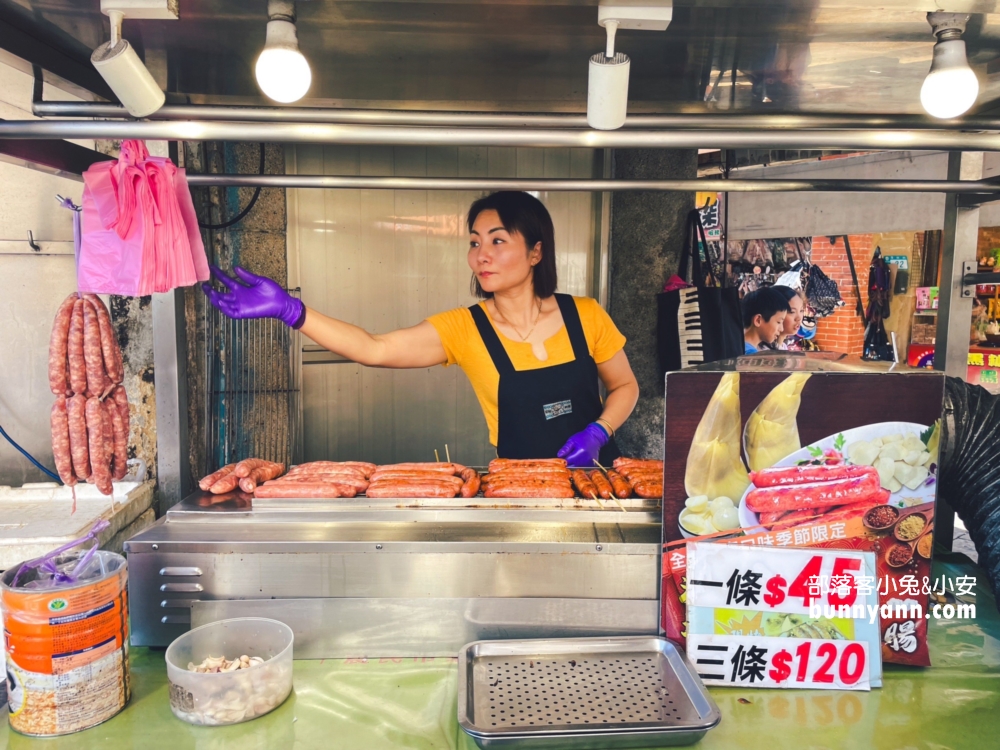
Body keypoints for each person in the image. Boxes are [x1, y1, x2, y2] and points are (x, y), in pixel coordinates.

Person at [202, 191, 639, 467]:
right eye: (474, 242)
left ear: (536, 252)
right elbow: (374, 348)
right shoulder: (465, 329)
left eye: (497, 240)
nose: (480, 255)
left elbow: (624, 386)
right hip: (519, 490)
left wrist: (599, 431)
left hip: (604, 483)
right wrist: (292, 311)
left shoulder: (586, 314)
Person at [742, 286, 792, 354]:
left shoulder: (735, 345)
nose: (781, 329)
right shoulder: (751, 358)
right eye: (779, 322)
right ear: (758, 320)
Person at [770, 285, 806, 351]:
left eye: (801, 310)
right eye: (792, 312)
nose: (798, 318)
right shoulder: (764, 352)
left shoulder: (783, 347)